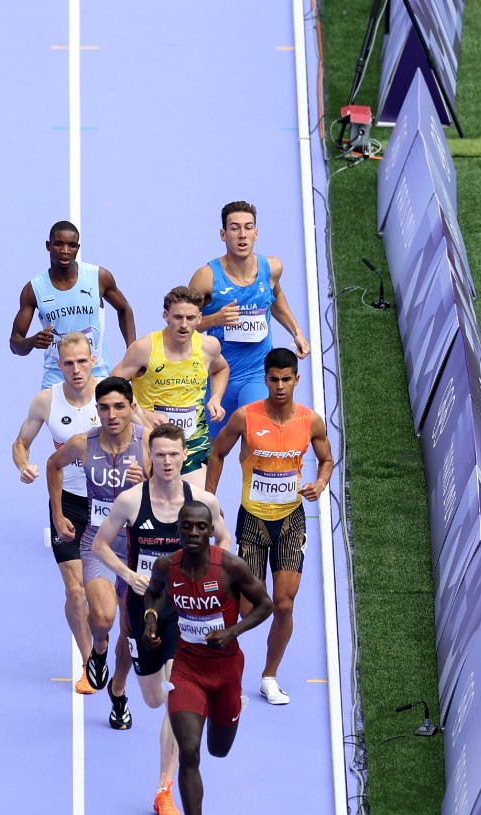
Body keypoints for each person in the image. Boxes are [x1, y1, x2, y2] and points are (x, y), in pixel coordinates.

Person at [93, 424, 231, 815]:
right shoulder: (131, 501)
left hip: (186, 611)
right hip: (143, 607)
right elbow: (101, 545)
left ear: (184, 456)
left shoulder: (202, 500)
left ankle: (164, 789)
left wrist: (207, 576)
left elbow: (223, 540)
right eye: (160, 455)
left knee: (176, 700)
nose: (167, 462)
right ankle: (123, 685)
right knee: (154, 697)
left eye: (174, 455)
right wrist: (128, 573)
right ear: (149, 457)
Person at [142, 501, 273, 815]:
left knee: (219, 748)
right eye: (187, 528)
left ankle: (231, 710)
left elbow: (264, 606)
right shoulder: (168, 566)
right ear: (179, 530)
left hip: (227, 670)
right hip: (187, 668)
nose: (194, 534)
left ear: (210, 529)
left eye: (201, 527)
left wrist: (232, 632)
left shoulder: (229, 566)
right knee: (190, 752)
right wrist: (152, 621)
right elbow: (153, 594)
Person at [205, 347, 333, 706]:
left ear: (296, 380)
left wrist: (320, 484)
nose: (280, 386)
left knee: (284, 604)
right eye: (273, 379)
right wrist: (210, 504)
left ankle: (269, 676)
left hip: (291, 520)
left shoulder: (311, 421)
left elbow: (326, 459)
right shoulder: (245, 417)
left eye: (286, 380)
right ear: (266, 379)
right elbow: (217, 454)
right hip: (252, 521)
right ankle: (225, 617)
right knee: (250, 609)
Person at [46, 376, 146, 694]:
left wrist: (147, 480)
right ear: (97, 412)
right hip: (98, 542)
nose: (112, 415)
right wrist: (59, 513)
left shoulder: (149, 444)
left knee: (135, 627)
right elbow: (53, 465)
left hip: (139, 545)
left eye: (119, 407)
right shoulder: (82, 443)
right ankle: (98, 651)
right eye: (104, 408)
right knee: (102, 618)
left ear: (132, 408)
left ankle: (119, 691)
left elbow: (170, 488)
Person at [14, 334, 101, 670]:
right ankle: (89, 660)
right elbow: (20, 442)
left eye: (82, 361)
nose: (76, 369)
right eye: (69, 363)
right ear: (58, 365)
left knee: (105, 595)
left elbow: (143, 432)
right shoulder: (46, 402)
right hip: (67, 505)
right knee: (76, 591)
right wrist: (24, 465)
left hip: (109, 504)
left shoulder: (112, 395)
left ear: (93, 360)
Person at [190, 201, 309, 439]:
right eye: (234, 228)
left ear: (256, 233)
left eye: (248, 227)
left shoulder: (272, 268)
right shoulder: (206, 277)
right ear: (223, 234)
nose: (242, 234)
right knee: (208, 452)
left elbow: (275, 296)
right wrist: (215, 319)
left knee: (256, 439)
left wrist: (296, 332)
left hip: (256, 373)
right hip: (217, 373)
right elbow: (183, 326)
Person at [110, 286, 230, 490]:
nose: (184, 325)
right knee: (149, 506)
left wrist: (215, 398)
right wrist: (142, 412)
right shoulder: (144, 348)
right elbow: (111, 389)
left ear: (199, 318)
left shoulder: (208, 346)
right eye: (178, 317)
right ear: (166, 315)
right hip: (149, 438)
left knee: (198, 506)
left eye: (190, 318)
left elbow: (221, 368)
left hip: (192, 440)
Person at [10, 220, 138, 387]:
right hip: (57, 374)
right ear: (48, 246)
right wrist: (32, 342)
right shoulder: (33, 290)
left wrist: (131, 353)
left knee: (112, 412)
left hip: (96, 371)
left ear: (78, 248)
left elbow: (125, 309)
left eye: (72, 245)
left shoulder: (99, 277)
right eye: (58, 244)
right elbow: (15, 344)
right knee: (41, 412)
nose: (65, 251)